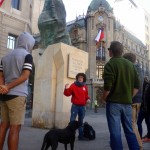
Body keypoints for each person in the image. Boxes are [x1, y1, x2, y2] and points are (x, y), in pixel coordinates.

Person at [102, 41, 140, 150]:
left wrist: (103, 99)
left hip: (113, 104)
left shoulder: (110, 64)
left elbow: (107, 87)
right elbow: (137, 86)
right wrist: (128, 96)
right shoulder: (130, 65)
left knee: (115, 133)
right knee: (130, 130)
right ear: (121, 51)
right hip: (127, 104)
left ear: (111, 52)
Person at [0, 32, 35, 150]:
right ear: (28, 43)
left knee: (3, 125)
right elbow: (25, 76)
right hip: (17, 95)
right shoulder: (27, 56)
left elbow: (1, 76)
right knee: (15, 128)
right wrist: (8, 87)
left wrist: (3, 88)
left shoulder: (5, 57)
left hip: (4, 95)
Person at [123, 52, 143, 149]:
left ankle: (139, 146)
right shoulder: (140, 70)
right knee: (133, 123)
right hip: (139, 100)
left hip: (133, 100)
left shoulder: (131, 69)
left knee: (132, 124)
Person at [64, 73, 90, 140]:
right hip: (75, 106)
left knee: (81, 121)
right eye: (79, 77)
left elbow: (86, 96)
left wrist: (88, 99)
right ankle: (69, 136)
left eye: (81, 77)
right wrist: (66, 89)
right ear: (77, 78)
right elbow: (67, 94)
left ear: (83, 78)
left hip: (82, 107)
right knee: (72, 121)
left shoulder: (85, 87)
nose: (80, 78)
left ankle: (80, 136)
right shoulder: (73, 85)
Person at [137, 76, 150, 142]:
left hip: (147, 109)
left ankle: (148, 136)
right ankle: (141, 137)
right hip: (144, 108)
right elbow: (144, 96)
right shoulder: (147, 84)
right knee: (140, 122)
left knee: (147, 122)